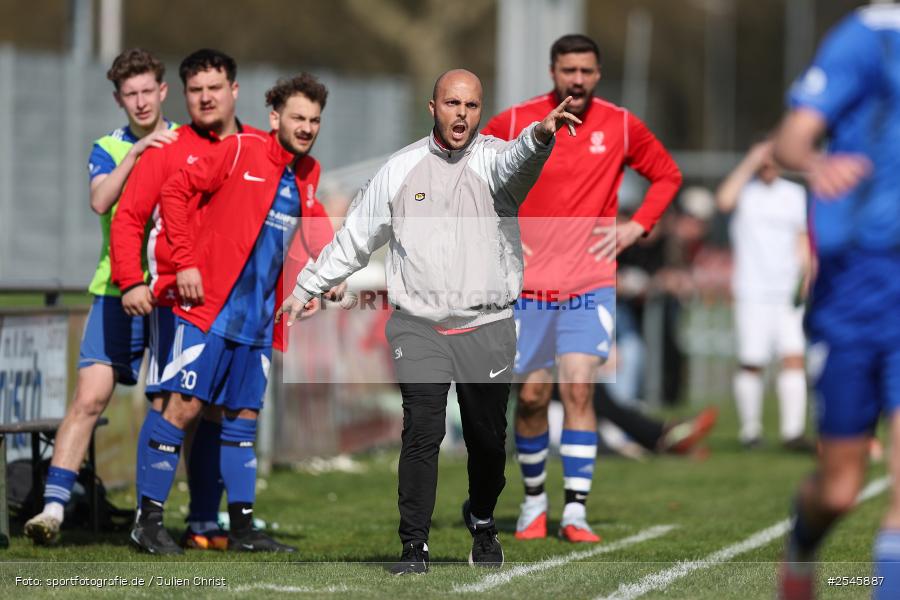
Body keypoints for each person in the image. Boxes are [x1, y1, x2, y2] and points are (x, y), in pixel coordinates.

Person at [278, 69, 578, 574]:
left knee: (487, 441)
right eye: (452, 103)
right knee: (422, 429)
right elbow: (354, 239)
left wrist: (541, 134)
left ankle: (482, 520)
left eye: (472, 105)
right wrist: (306, 286)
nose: (462, 114)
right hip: (418, 326)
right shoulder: (399, 170)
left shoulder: (495, 163)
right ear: (432, 107)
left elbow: (521, 161)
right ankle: (413, 547)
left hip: (487, 325)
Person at [481, 34, 682, 543]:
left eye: (586, 71)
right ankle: (532, 503)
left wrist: (638, 226)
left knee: (577, 389)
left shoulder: (619, 123)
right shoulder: (512, 121)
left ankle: (574, 511)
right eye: (568, 70)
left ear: (598, 73)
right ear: (553, 71)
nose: (577, 79)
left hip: (589, 284)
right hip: (526, 288)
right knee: (530, 398)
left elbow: (667, 175)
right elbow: (472, 177)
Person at [129, 73, 332, 555]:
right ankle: (147, 522)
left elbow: (310, 226)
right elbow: (175, 191)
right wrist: (186, 263)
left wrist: (328, 272)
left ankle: (240, 529)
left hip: (258, 321)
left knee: (242, 418)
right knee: (183, 408)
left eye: (315, 120)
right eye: (298, 117)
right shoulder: (240, 149)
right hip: (207, 312)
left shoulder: (307, 173)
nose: (306, 128)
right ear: (275, 117)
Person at [110, 49, 265, 551]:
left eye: (214, 88)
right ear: (184, 95)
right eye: (195, 90)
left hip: (239, 310)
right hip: (180, 301)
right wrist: (131, 280)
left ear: (234, 90)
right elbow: (128, 217)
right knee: (179, 404)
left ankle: (204, 523)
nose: (205, 97)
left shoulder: (258, 147)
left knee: (220, 412)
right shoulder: (167, 150)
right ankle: (148, 520)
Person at [24, 48, 178, 545]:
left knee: (176, 405)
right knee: (88, 399)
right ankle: (52, 510)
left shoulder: (184, 143)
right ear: (118, 98)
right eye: (129, 94)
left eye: (146, 91)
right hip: (115, 290)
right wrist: (137, 152)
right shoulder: (109, 148)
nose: (139, 101)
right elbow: (99, 201)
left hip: (172, 294)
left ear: (162, 91)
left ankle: (165, 516)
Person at [774, 5, 900, 599]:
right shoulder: (866, 38)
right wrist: (820, 163)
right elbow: (790, 141)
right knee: (840, 489)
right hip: (854, 287)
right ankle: (801, 547)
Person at [716, 140, 812, 452]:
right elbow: (723, 201)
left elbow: (802, 239)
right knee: (752, 361)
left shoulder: (794, 194)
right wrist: (749, 163)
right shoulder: (746, 191)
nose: (769, 166)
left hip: (786, 291)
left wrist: (808, 273)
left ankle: (793, 432)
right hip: (751, 290)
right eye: (764, 161)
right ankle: (751, 431)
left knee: (793, 357)